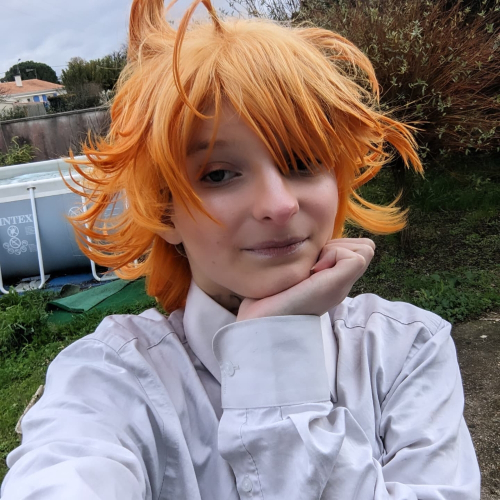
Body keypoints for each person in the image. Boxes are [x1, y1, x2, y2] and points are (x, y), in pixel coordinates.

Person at [1, 0, 480, 498]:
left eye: (302, 161)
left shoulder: (406, 350)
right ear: (164, 211)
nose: (279, 205)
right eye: (218, 174)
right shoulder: (110, 379)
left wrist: (271, 351)